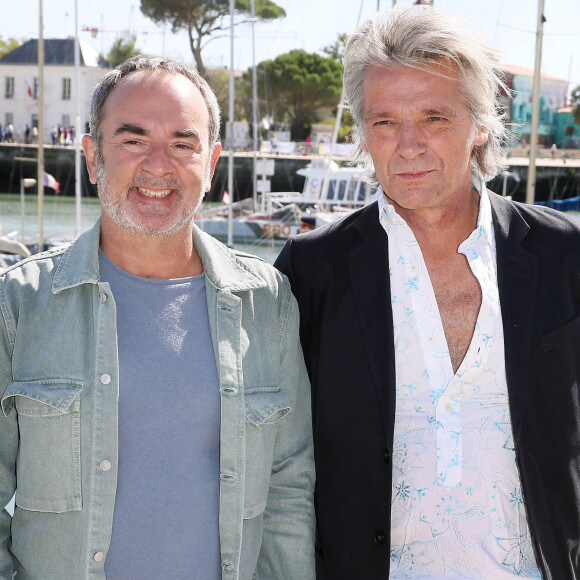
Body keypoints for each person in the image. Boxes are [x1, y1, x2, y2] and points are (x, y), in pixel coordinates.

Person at [275, 7, 580, 580]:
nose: (407, 145)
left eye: (434, 117)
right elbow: (279, 462)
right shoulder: (312, 272)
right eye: (385, 121)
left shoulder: (566, 257)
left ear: (481, 123)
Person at [0, 55, 315, 580]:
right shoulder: (18, 303)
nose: (158, 165)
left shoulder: (267, 302)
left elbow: (288, 490)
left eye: (183, 143)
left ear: (212, 163)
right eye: (133, 140)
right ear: (92, 157)